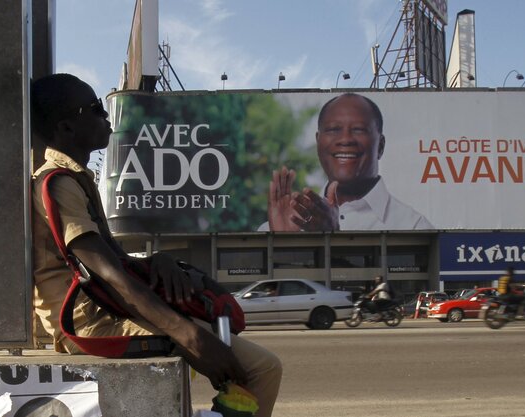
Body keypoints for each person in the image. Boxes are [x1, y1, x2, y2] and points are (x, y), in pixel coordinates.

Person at [30, 74, 281, 416]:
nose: (106, 118)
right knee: (260, 369)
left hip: (108, 310)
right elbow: (105, 273)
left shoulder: (76, 179)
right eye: (95, 109)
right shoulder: (57, 184)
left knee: (250, 364)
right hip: (92, 323)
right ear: (67, 128)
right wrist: (188, 334)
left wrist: (155, 260)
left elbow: (113, 261)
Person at [259, 93, 434, 231]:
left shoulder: (414, 227)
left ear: (380, 146)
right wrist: (284, 245)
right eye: (334, 129)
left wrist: (332, 240)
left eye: (358, 130)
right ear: (318, 143)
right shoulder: (279, 228)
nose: (345, 139)